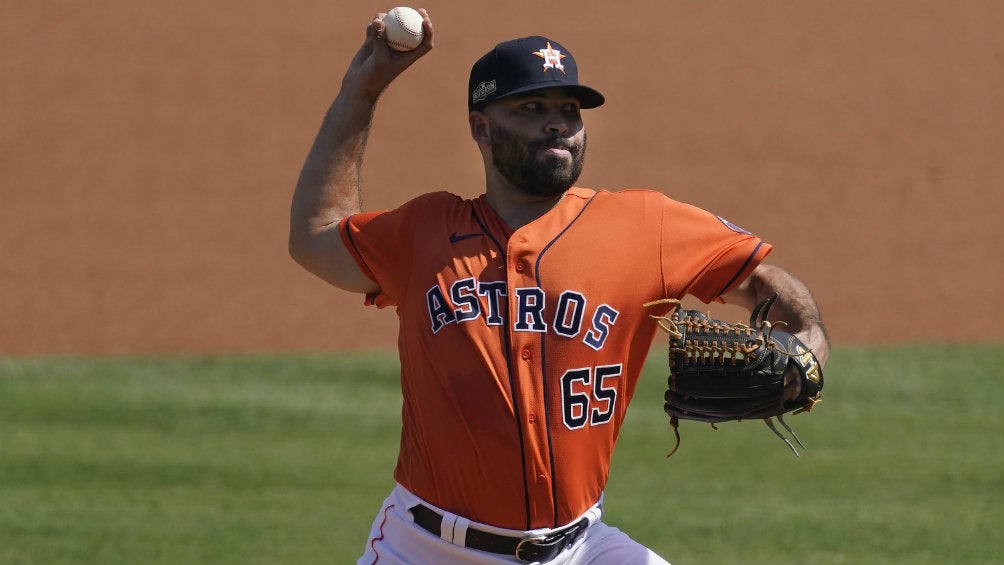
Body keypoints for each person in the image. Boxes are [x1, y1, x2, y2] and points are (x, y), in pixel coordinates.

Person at [289, 9, 830, 565]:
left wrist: (809, 339)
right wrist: (365, 86)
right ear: (480, 127)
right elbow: (315, 238)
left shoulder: (646, 226)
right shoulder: (423, 232)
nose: (557, 124)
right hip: (426, 548)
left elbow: (764, 280)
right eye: (532, 108)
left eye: (569, 111)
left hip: (580, 548)